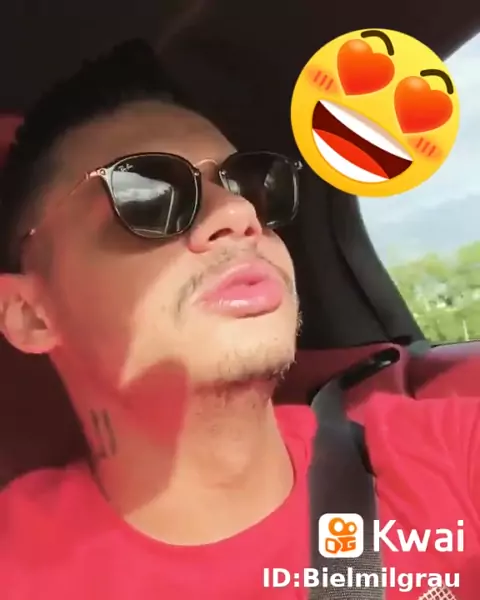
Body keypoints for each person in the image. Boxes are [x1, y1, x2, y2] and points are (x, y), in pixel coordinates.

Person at [0, 40, 478, 600]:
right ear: (30, 315)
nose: (238, 212)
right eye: (148, 192)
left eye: (248, 183)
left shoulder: (447, 453)